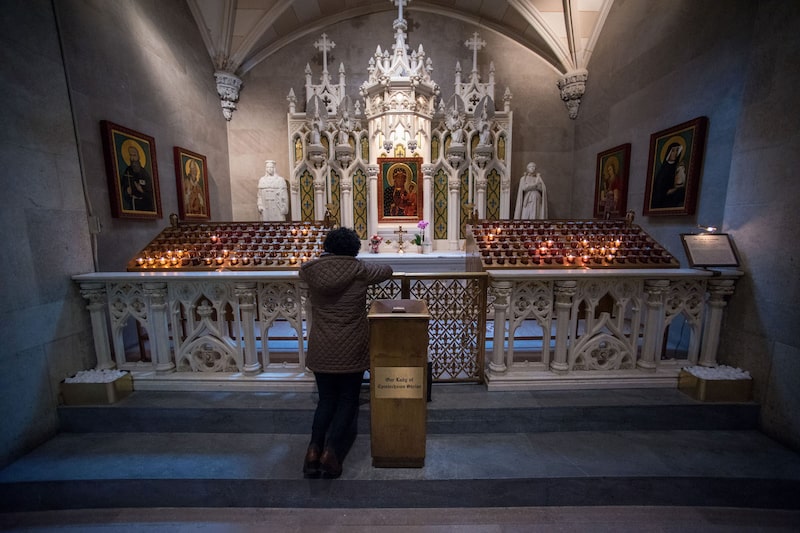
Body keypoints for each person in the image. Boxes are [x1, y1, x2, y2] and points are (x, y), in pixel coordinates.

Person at [299, 227, 393, 478]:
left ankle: (312, 451)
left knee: (327, 399)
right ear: (354, 248)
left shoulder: (310, 271)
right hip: (351, 344)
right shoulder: (360, 270)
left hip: (322, 345)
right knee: (348, 399)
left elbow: (303, 270)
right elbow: (387, 270)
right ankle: (331, 453)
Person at [122, 142, 154, 212]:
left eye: (134, 155)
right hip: (133, 205)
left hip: (145, 206)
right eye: (131, 155)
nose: (133, 158)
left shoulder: (144, 173)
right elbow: (123, 188)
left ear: (138, 157)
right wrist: (127, 191)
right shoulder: (127, 171)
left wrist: (141, 190)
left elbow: (151, 194)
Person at [651, 142, 682, 209]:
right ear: (669, 152)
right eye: (673, 151)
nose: (675, 153)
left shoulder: (677, 166)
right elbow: (658, 187)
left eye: (677, 150)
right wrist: (667, 191)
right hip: (662, 198)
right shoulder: (664, 168)